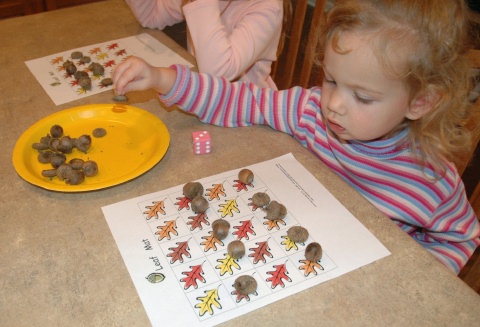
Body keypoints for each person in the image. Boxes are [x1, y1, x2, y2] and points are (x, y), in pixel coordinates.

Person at [113, 0, 480, 274]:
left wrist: (411, 276)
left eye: (363, 97)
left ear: (420, 101)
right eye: (331, 80)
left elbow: (461, 239)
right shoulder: (308, 113)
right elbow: (241, 99)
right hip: (291, 256)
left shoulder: (430, 179)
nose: (333, 104)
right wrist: (167, 79)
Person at [125, 0, 291, 89]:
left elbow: (218, 73)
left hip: (248, 111)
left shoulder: (268, 6)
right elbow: (151, 16)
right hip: (203, 97)